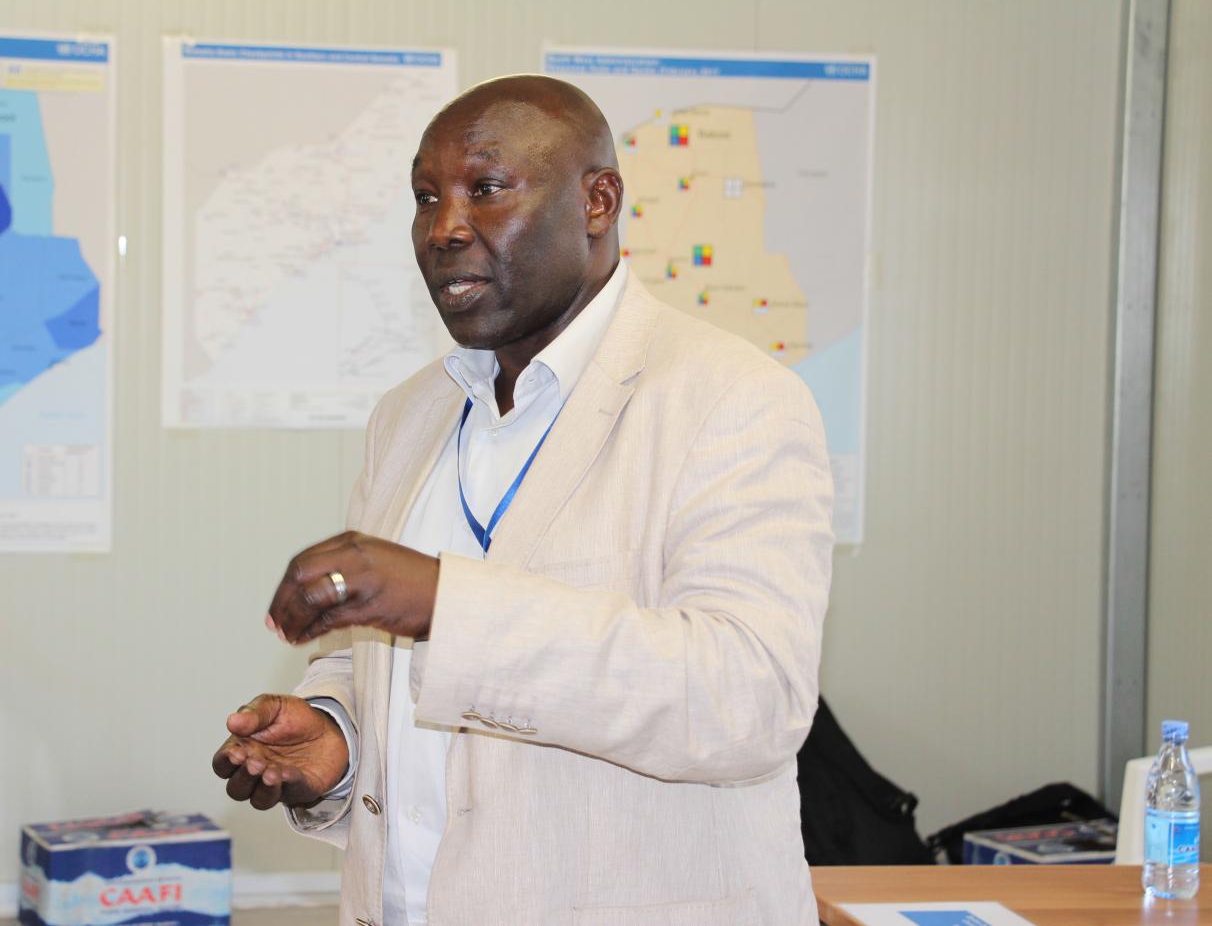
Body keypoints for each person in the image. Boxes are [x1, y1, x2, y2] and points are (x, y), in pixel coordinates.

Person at [212, 74, 834, 925]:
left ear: (597, 202)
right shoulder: (408, 415)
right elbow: (377, 667)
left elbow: (748, 698)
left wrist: (445, 602)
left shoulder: (731, 398)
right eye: (426, 197)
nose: (444, 227)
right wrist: (338, 740)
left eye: (486, 188)